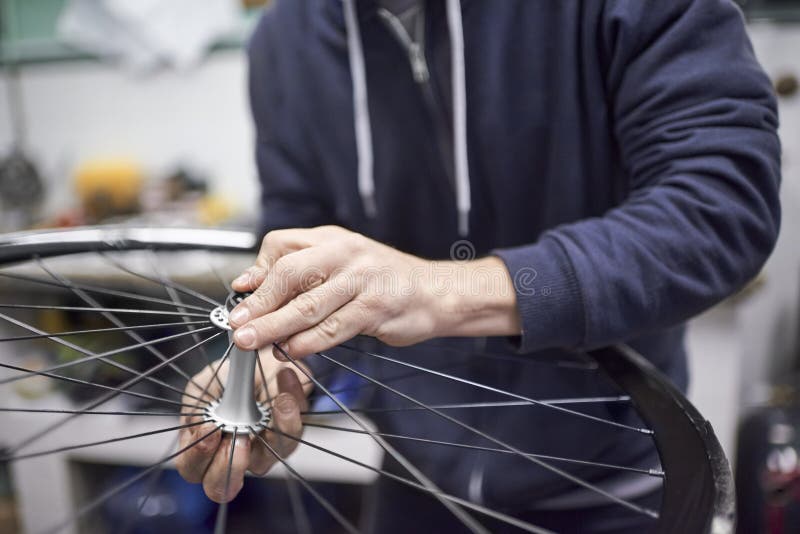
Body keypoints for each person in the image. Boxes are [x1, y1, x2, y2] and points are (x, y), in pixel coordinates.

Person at [177, 0, 781, 531]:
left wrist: (443, 291)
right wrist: (279, 370)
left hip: (619, 483)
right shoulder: (285, 38)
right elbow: (296, 251)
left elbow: (721, 207)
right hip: (413, 485)